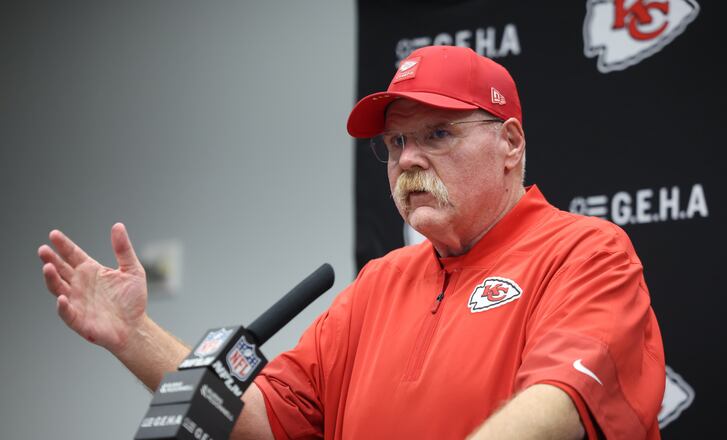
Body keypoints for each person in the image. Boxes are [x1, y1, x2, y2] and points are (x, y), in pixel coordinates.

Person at [38, 45, 665, 440]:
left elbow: (559, 405)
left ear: (510, 144)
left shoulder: (587, 251)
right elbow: (269, 420)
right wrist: (133, 334)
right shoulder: (379, 283)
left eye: (438, 135)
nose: (408, 160)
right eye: (394, 144)